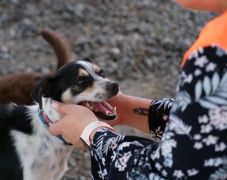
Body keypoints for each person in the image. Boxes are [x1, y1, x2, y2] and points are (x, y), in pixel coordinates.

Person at [48, 0, 227, 179]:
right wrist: (126, 109)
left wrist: (92, 134)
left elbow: (169, 173)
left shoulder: (215, 52)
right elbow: (208, 126)